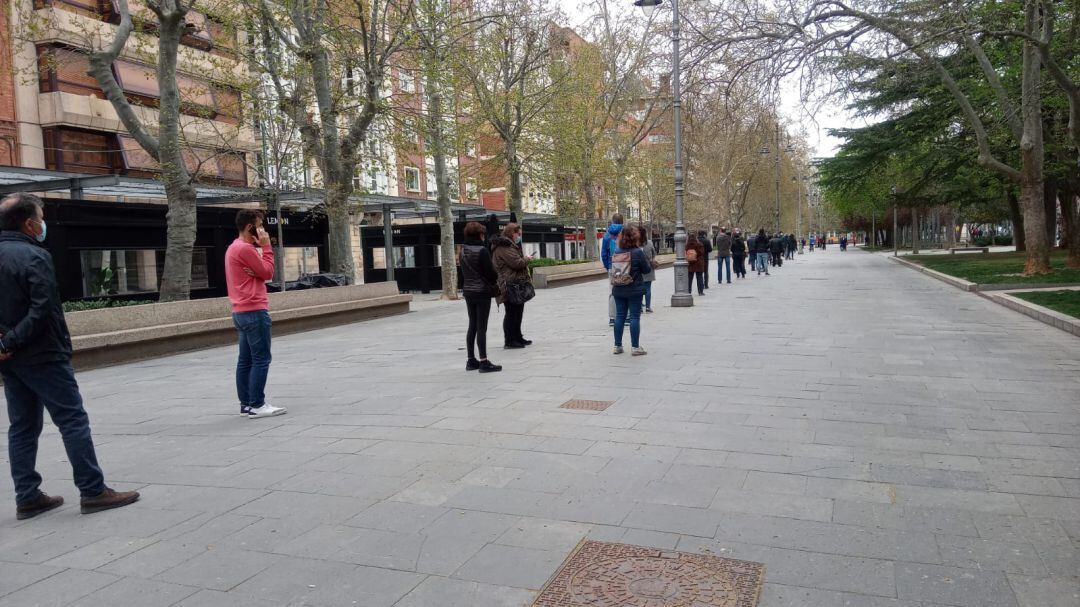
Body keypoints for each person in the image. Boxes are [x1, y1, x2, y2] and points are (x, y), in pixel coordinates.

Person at [0, 193, 140, 519]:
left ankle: (27, 496)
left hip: (11, 358)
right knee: (72, 420)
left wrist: (5, 344)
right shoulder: (34, 256)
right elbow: (43, 309)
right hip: (43, 354)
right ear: (29, 223)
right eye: (41, 216)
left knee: (22, 426)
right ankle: (93, 491)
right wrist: (13, 341)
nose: (43, 222)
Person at [226, 209, 286, 419]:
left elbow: (260, 273)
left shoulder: (234, 247)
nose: (263, 231)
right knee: (261, 359)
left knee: (245, 360)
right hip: (254, 310)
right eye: (260, 226)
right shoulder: (246, 249)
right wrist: (266, 247)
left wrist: (259, 271)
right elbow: (268, 273)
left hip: (240, 311)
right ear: (250, 227)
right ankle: (257, 405)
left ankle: (246, 405)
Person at [460, 222, 502, 372]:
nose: (484, 236)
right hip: (482, 293)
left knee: (472, 325)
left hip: (468, 292)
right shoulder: (482, 251)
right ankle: (484, 362)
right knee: (481, 327)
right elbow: (491, 274)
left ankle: (471, 360)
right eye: (483, 234)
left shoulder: (462, 250)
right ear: (479, 235)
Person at [491, 223, 532, 349]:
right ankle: (509, 340)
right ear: (511, 233)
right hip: (508, 285)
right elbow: (516, 263)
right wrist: (527, 259)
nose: (519, 236)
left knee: (518, 311)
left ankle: (517, 336)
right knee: (511, 312)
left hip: (515, 284)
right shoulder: (504, 247)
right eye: (518, 234)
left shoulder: (509, 245)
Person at [609, 226, 649, 356]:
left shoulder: (617, 251)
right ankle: (635, 347)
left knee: (620, 316)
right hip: (634, 290)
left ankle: (617, 346)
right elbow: (646, 270)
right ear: (634, 237)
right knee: (634, 317)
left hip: (619, 288)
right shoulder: (637, 252)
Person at [600, 213, 624, 326]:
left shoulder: (607, 235)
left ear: (612, 221)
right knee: (626, 289)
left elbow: (604, 253)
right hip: (625, 265)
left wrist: (607, 266)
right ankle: (626, 316)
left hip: (612, 265)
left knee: (612, 291)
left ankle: (612, 318)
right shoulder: (626, 233)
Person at [638, 225, 657, 313]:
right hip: (649, 268)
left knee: (639, 288)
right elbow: (654, 253)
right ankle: (648, 307)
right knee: (648, 288)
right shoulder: (649, 242)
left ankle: (640, 307)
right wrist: (652, 259)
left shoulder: (635, 244)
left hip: (638, 269)